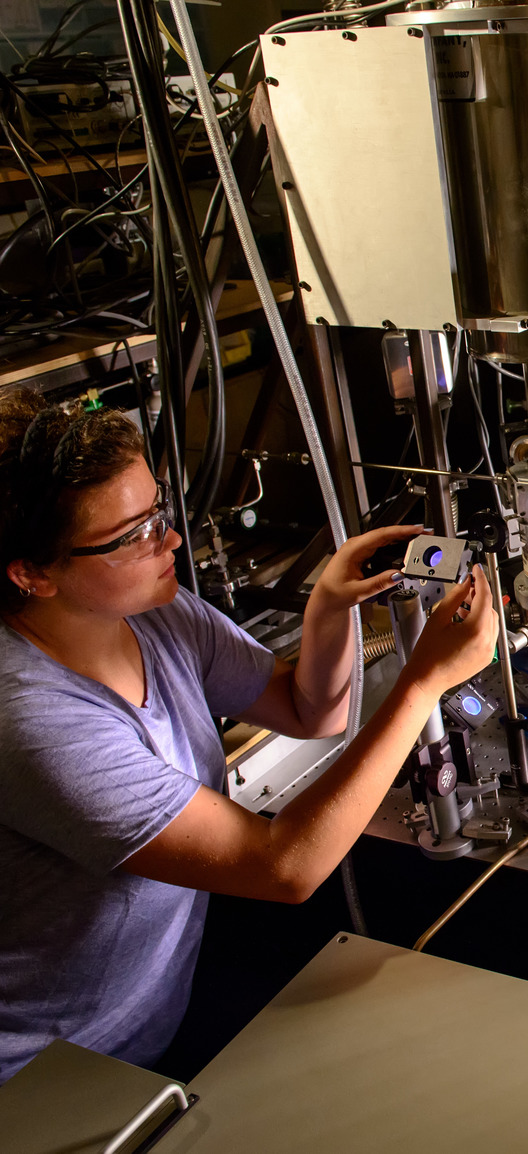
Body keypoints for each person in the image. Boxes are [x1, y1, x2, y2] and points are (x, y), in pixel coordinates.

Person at [0, 390, 498, 1084]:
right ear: (31, 574)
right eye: (132, 535)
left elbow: (307, 710)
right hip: (47, 1078)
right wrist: (422, 684)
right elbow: (283, 867)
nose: (170, 541)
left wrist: (327, 605)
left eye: (158, 512)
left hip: (155, 1018)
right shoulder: (35, 723)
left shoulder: (156, 613)